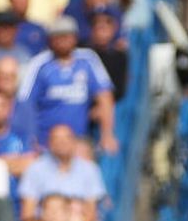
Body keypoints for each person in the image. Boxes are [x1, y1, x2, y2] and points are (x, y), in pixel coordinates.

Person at [19, 16, 116, 152]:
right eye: (58, 36)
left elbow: (105, 96)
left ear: (75, 37)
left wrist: (107, 134)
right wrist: (31, 138)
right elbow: (25, 102)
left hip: (79, 141)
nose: (63, 40)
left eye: (67, 36)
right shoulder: (40, 64)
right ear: (50, 40)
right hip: (45, 142)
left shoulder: (88, 59)